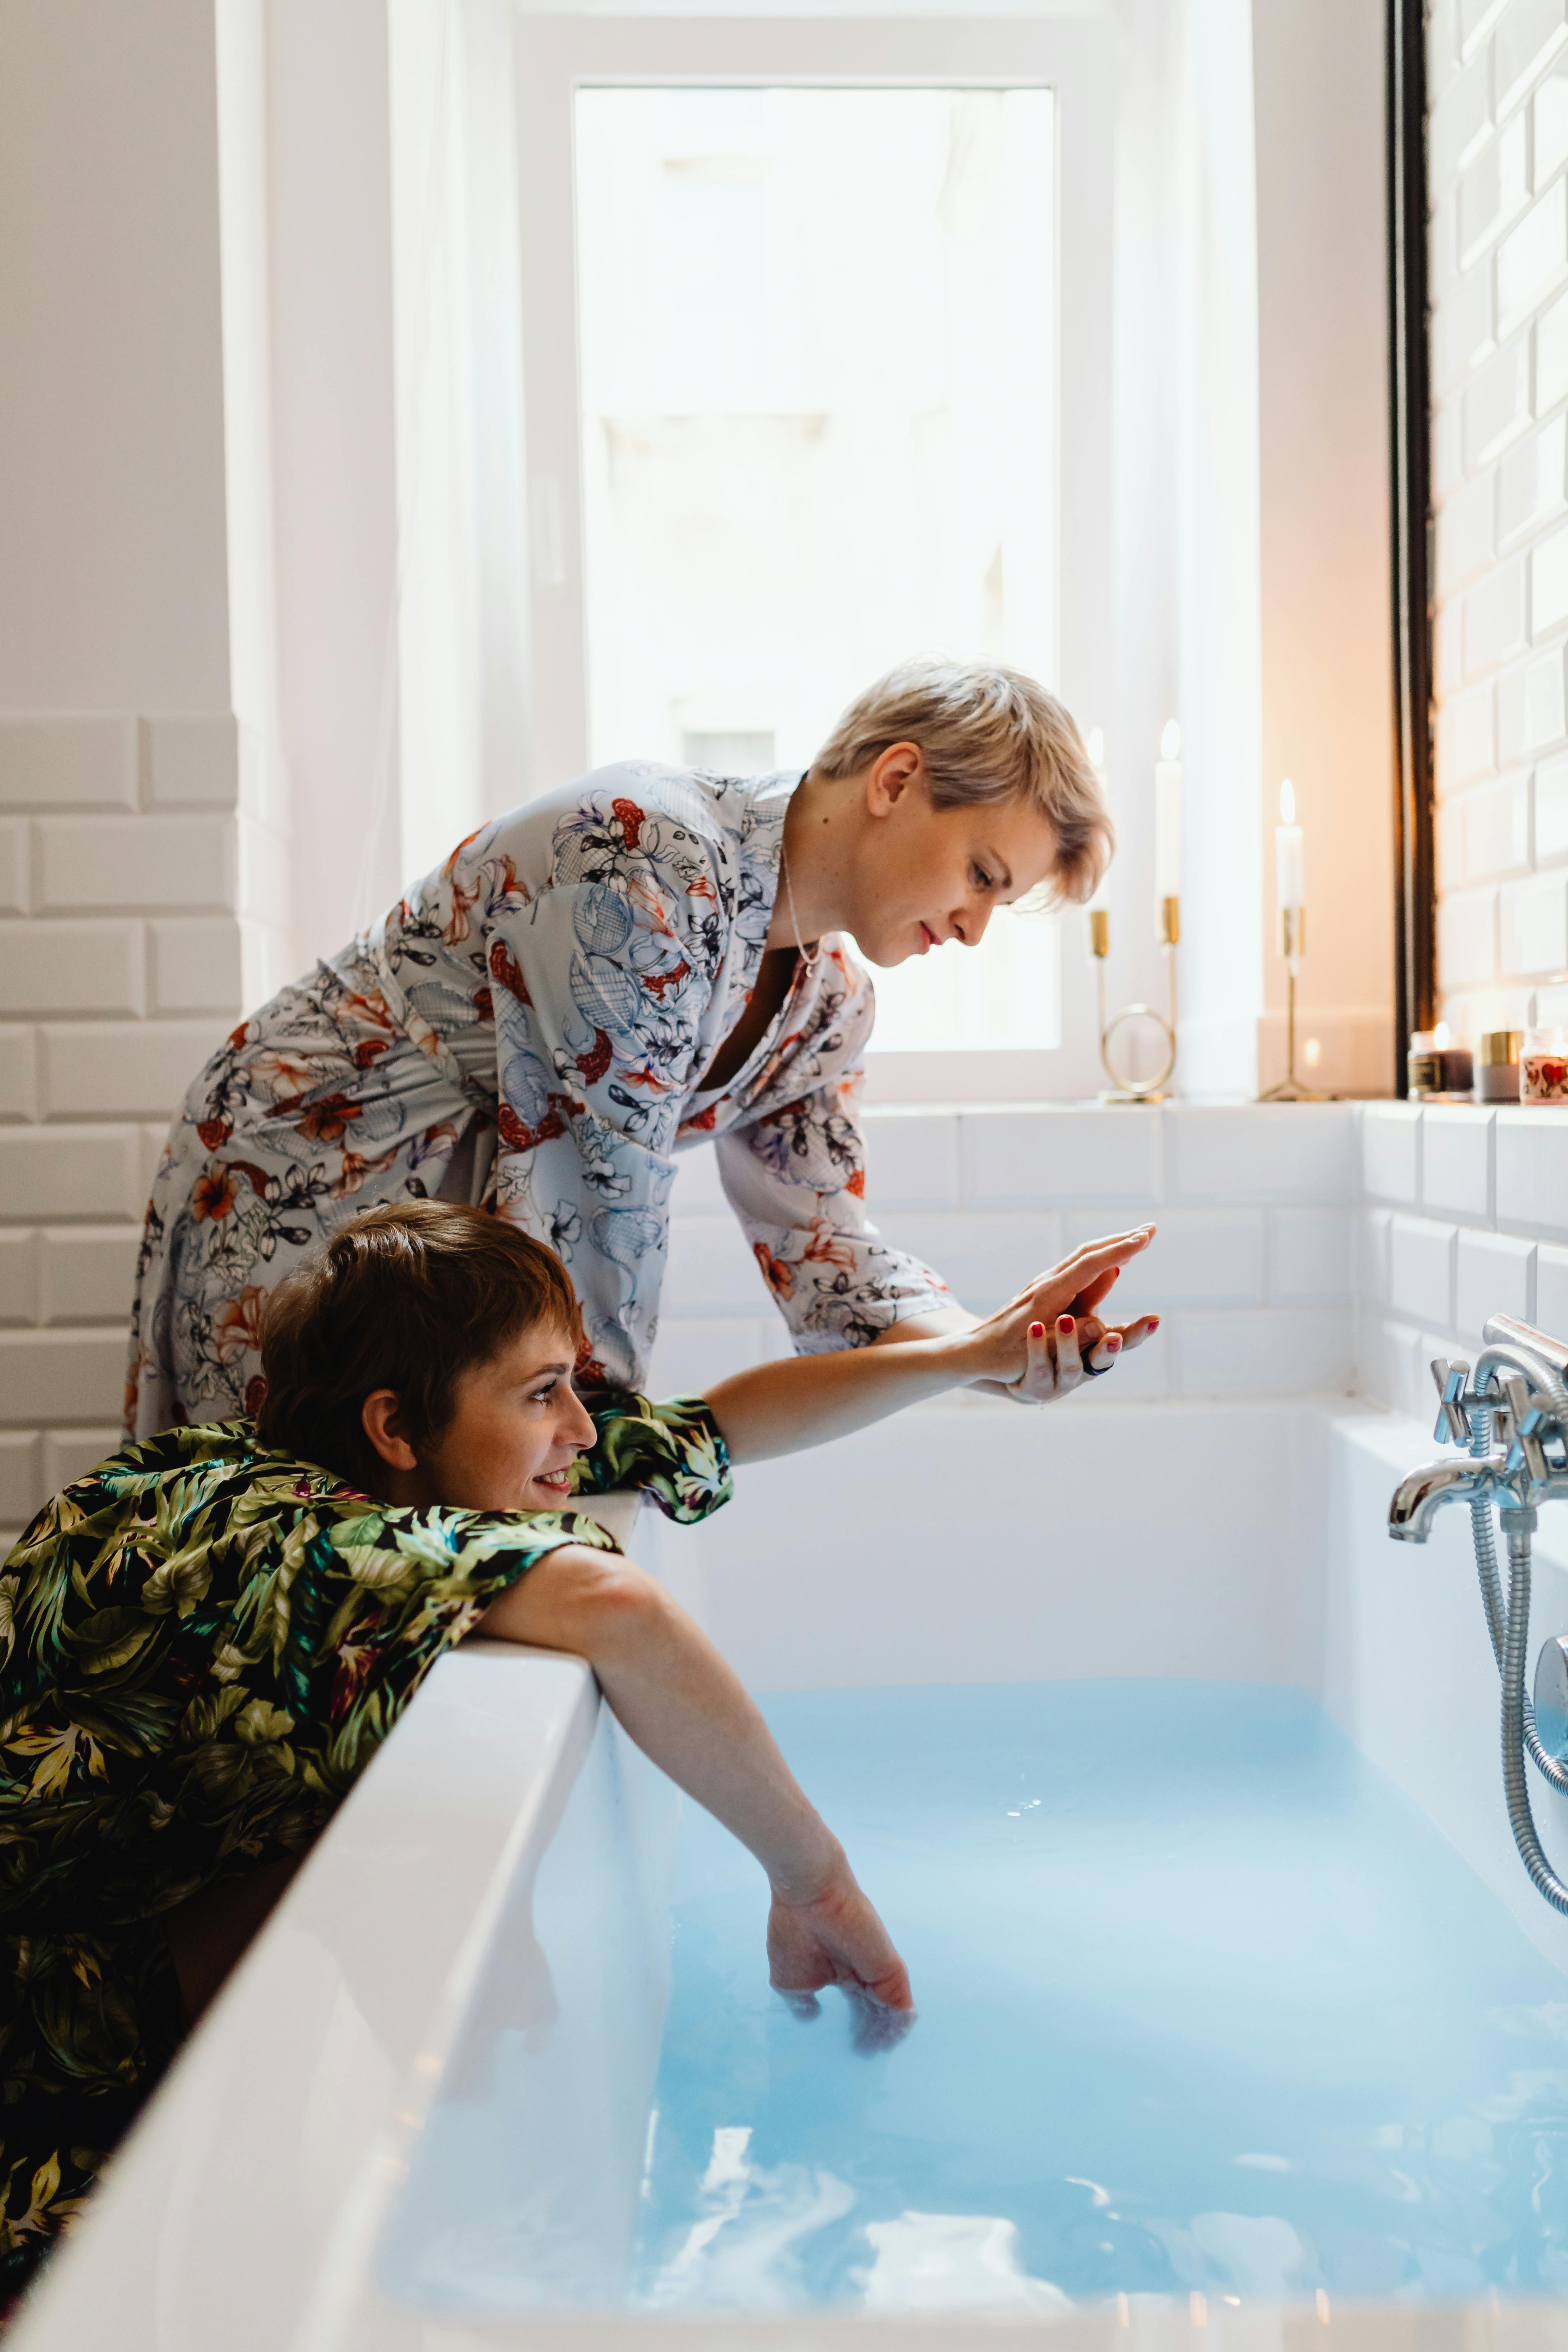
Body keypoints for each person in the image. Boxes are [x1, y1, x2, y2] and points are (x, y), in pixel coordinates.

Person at [0, 1199, 1155, 2308]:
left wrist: (980, 1352)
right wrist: (819, 1888)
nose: (584, 1432)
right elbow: (612, 1601)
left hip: (114, 1937)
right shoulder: (287, 1554)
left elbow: (713, 1429)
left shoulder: (295, 1474)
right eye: (544, 1393)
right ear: (395, 1427)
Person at [124, 659, 1130, 1440]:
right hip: (305, 1153)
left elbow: (825, 1251)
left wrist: (993, 1346)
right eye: (983, 875)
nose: (975, 928)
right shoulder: (643, 854)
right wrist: (594, 1455)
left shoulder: (827, 1005)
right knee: (284, 1538)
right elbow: (591, 1204)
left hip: (441, 1229)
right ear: (897, 778)